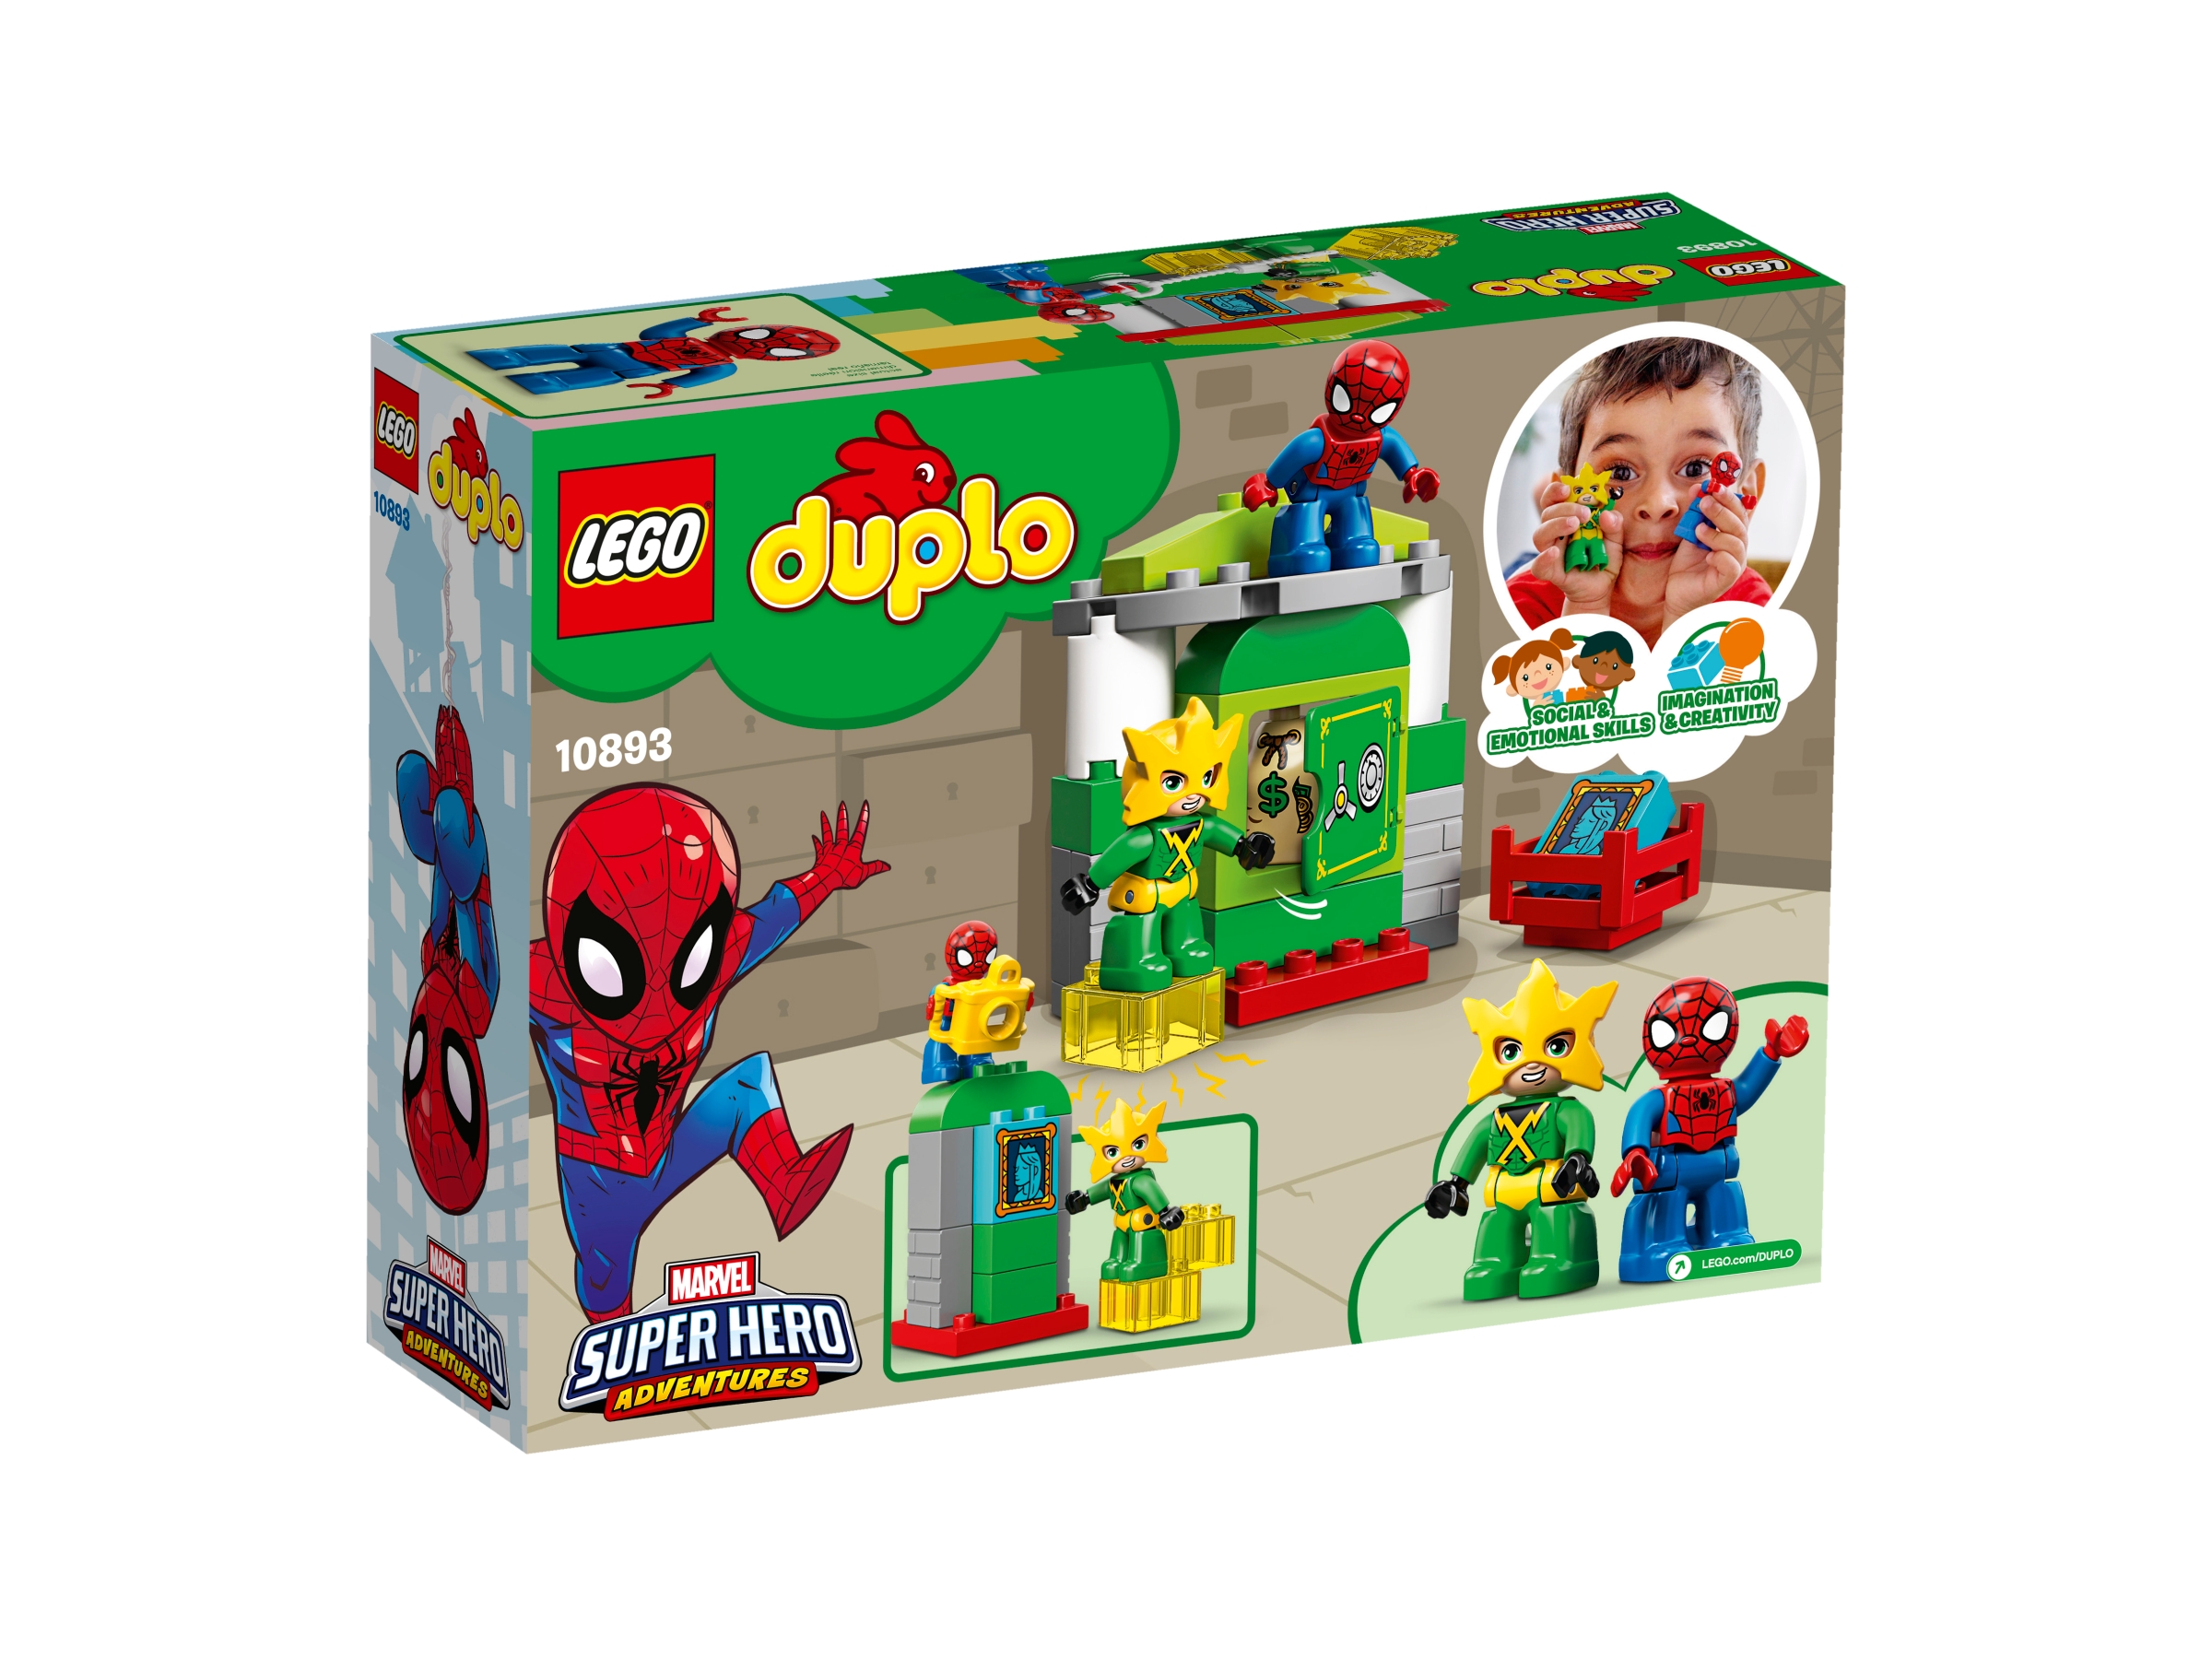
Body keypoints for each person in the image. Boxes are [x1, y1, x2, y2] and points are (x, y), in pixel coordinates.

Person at [1510, 338, 1772, 646]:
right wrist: (1585, 607)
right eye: (1621, 472)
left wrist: (1685, 616)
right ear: (1568, 493)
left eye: (1695, 468)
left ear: (1748, 491)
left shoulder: (1750, 612)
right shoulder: (1523, 608)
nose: (1657, 504)